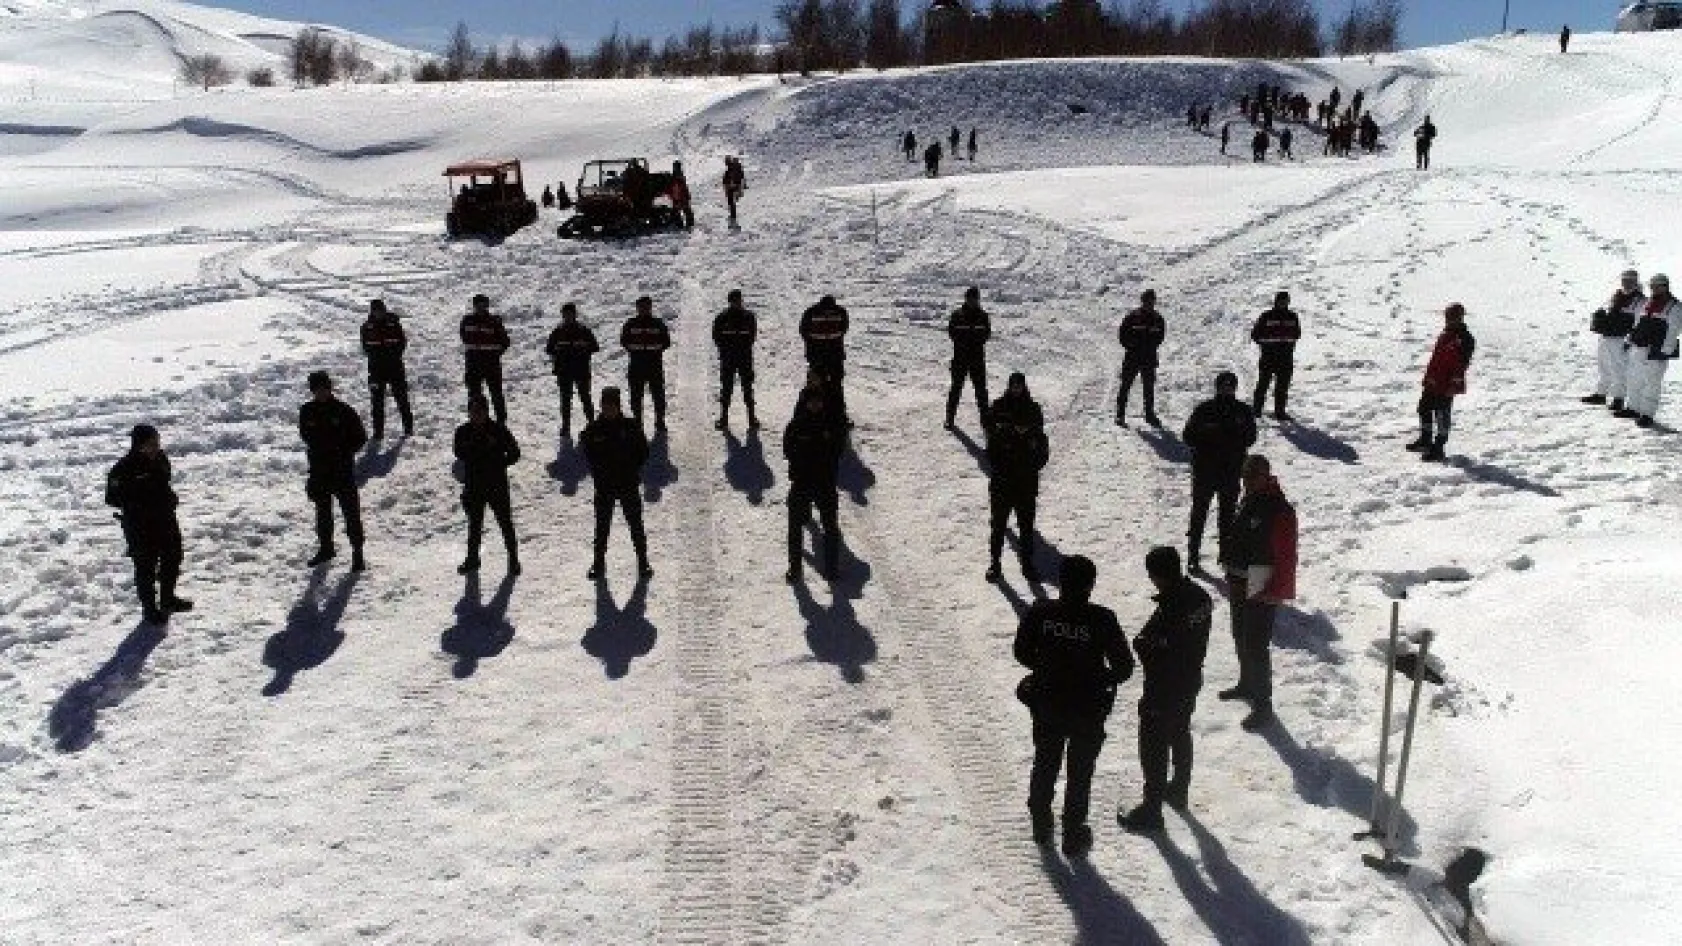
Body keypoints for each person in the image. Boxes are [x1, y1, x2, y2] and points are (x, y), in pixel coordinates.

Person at [1015, 555, 1135, 858]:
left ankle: (1041, 823)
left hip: (1047, 702)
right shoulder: (1102, 619)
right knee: (1080, 772)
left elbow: (1021, 652)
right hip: (1087, 708)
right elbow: (1124, 668)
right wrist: (1097, 679)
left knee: (1045, 762)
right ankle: (1073, 832)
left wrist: (1045, 669)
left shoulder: (1040, 613)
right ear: (1091, 585)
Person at [1118, 547, 1212, 833]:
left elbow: (1152, 648)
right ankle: (1179, 788)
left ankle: (1152, 809)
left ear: (1156, 576)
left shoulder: (1173, 608)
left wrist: (1142, 644)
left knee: (1154, 746)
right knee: (1180, 732)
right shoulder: (1200, 596)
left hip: (1164, 687)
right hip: (1190, 680)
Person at [1218, 455, 1297, 732]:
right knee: (1239, 634)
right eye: (1244, 476)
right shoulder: (1249, 498)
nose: (1247, 481)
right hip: (1239, 578)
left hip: (1261, 582)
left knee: (1256, 644)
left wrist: (1276, 590)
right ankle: (1246, 684)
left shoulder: (1279, 508)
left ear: (1266, 475)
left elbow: (1287, 555)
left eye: (1252, 477)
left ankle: (1263, 704)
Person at [106, 424, 192, 624]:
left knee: (173, 557)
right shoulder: (123, 469)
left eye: (157, 442)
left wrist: (168, 498)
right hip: (140, 526)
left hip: (166, 519)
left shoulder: (161, 458)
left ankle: (168, 599)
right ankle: (150, 609)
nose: (156, 447)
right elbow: (111, 498)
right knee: (146, 567)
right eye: (151, 443)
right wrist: (139, 502)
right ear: (139, 445)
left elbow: (164, 482)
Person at [1182, 371, 1257, 573]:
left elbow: (1251, 438)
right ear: (1217, 387)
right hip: (1205, 470)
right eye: (1223, 385)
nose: (1227, 389)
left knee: (1228, 517)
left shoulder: (1243, 411)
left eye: (1230, 385)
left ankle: (1226, 555)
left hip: (1230, 471)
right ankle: (1193, 556)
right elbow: (1188, 436)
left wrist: (1232, 437)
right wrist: (1209, 435)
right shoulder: (1204, 409)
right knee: (1199, 515)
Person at [580, 388, 652, 580]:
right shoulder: (593, 429)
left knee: (636, 525)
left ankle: (643, 561)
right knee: (602, 527)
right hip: (604, 486)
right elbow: (587, 451)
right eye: (604, 406)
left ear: (618, 407)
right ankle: (598, 562)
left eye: (611, 406)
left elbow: (644, 452)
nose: (608, 410)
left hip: (628, 484)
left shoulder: (631, 426)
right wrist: (599, 470)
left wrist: (631, 467)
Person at [299, 371, 368, 571]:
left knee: (351, 513)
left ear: (330, 388)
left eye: (324, 388)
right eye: (317, 389)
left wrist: (344, 452)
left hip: (342, 471)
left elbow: (360, 437)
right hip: (319, 470)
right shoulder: (307, 411)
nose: (321, 393)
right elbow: (306, 435)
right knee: (322, 513)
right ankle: (326, 548)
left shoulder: (344, 410)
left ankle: (357, 553)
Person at [985, 373, 1049, 584]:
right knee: (998, 525)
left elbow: (1042, 451)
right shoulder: (998, 407)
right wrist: (1001, 467)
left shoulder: (1033, 411)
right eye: (1013, 385)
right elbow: (991, 448)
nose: (1016, 389)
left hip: (1026, 483)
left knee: (1026, 526)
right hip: (1002, 482)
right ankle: (995, 562)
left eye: (1019, 385)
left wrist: (1030, 467)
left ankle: (1027, 563)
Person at [783, 385, 846, 583]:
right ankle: (795, 568)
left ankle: (832, 569)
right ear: (805, 402)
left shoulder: (831, 424)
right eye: (812, 401)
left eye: (818, 401)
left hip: (825, 483)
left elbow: (838, 450)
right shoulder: (796, 425)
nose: (815, 405)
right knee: (795, 527)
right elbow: (788, 450)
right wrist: (803, 461)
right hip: (802, 482)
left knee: (830, 527)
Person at [454, 395, 521, 576]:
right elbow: (458, 452)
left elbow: (515, 452)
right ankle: (472, 559)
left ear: (486, 411)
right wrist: (478, 448)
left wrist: (500, 462)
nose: (477, 415)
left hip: (496, 484)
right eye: (473, 411)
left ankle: (513, 558)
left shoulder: (498, 430)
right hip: (474, 485)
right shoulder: (463, 432)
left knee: (505, 523)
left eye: (480, 411)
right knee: (474, 525)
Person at [1408, 304, 1476, 461]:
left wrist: (1454, 385)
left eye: (1451, 317)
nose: (1447, 320)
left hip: (1447, 383)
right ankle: (1425, 440)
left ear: (1459, 318)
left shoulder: (1466, 339)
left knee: (1442, 415)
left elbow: (1461, 364)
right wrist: (1428, 378)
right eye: (1447, 316)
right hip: (1433, 380)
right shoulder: (1445, 334)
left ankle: (1438, 448)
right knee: (1423, 408)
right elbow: (1436, 359)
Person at [1621, 273, 1682, 427]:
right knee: (1635, 379)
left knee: (1652, 383)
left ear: (1664, 286)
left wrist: (1666, 350)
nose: (1653, 289)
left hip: (1656, 350)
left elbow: (1674, 329)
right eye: (1651, 286)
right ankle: (1633, 408)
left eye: (1656, 286)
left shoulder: (1674, 306)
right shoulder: (1648, 302)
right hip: (1639, 347)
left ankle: (1647, 414)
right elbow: (1637, 323)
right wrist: (1630, 338)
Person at [1582, 270, 1644, 410]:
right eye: (1624, 279)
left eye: (1630, 280)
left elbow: (1639, 322)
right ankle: (1601, 393)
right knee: (1603, 365)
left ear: (1636, 281)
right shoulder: (1616, 295)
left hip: (1621, 338)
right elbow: (1607, 310)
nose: (1626, 282)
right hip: (1606, 336)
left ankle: (1619, 398)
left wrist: (1630, 339)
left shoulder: (1639, 300)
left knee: (1619, 368)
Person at [545, 303, 600, 438]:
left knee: (585, 398)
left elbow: (595, 347)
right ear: (563, 315)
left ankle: (591, 423)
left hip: (581, 370)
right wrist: (559, 353)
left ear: (575, 314)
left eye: (570, 314)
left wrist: (582, 348)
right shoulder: (558, 331)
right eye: (565, 314)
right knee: (565, 400)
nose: (568, 316)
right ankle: (566, 426)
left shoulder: (583, 330)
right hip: (564, 371)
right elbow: (549, 349)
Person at [360, 298, 412, 439]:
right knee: (377, 402)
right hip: (376, 370)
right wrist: (378, 356)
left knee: (402, 398)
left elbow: (402, 342)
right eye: (376, 311)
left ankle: (408, 428)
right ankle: (378, 432)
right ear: (372, 312)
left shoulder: (394, 323)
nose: (379, 313)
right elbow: (365, 347)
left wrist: (393, 356)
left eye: (381, 310)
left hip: (395, 368)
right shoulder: (366, 327)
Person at [621, 296, 673, 431]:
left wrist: (653, 348)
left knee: (658, 395)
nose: (644, 309)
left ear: (650, 307)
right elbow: (624, 341)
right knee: (636, 396)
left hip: (654, 366)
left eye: (646, 306)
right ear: (637, 308)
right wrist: (636, 349)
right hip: (636, 366)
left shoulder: (658, 323)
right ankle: (638, 422)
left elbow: (666, 342)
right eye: (641, 307)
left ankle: (660, 421)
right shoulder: (630, 323)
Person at [800, 294, 852, 428]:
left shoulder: (839, 311)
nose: (829, 313)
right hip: (820, 357)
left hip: (833, 357)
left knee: (836, 387)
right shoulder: (813, 312)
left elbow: (843, 329)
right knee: (816, 387)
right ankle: (814, 416)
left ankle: (839, 416)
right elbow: (804, 332)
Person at [1115, 289, 1165, 427]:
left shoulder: (1158, 319)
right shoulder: (1132, 317)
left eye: (1152, 301)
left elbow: (1160, 337)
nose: (1149, 304)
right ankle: (1120, 414)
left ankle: (1149, 414)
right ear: (1142, 301)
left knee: (1149, 388)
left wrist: (1149, 346)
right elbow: (1122, 335)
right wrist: (1132, 345)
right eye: (1147, 301)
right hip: (1132, 357)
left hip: (1149, 359)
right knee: (1125, 385)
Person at [946, 285, 992, 430]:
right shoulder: (957, 315)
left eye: (975, 299)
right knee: (955, 389)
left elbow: (986, 335)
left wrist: (970, 339)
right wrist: (968, 340)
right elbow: (952, 334)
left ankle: (985, 422)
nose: (973, 301)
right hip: (960, 359)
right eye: (970, 299)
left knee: (981, 392)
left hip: (977, 360)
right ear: (966, 299)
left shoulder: (983, 316)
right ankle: (949, 419)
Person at [713, 289, 760, 430]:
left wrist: (739, 348)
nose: (737, 303)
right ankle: (724, 418)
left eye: (739, 300)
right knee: (726, 389)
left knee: (747, 388)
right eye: (734, 301)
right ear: (730, 302)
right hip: (728, 359)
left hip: (744, 358)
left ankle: (751, 418)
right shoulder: (721, 318)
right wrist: (728, 350)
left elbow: (752, 337)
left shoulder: (749, 317)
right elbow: (716, 337)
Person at [1251, 291, 1302, 420]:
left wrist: (1287, 343)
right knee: (1263, 385)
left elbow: (1297, 334)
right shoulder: (1266, 316)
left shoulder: (1292, 316)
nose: (1283, 303)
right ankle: (1256, 410)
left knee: (1282, 387)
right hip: (1268, 357)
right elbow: (1255, 334)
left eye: (1285, 301)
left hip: (1285, 358)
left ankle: (1280, 412)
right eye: (1281, 301)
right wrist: (1268, 344)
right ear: (1276, 301)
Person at [461, 293, 511, 424]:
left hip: (491, 364)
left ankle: (501, 422)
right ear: (474, 306)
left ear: (487, 306)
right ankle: (476, 420)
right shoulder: (467, 320)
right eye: (478, 305)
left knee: (496, 394)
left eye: (483, 305)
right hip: (473, 364)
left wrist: (494, 354)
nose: (480, 308)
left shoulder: (494, 321)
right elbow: (464, 338)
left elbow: (505, 342)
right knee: (474, 396)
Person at [669, 161, 694, 229]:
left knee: (683, 210)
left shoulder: (678, 177)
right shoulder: (678, 176)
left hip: (680, 196)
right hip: (679, 196)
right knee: (679, 211)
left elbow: (681, 187)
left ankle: (684, 224)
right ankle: (682, 224)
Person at [722, 156, 746, 225]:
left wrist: (727, 185)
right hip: (735, 186)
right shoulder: (734, 169)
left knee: (731, 202)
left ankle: (733, 216)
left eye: (726, 162)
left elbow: (729, 178)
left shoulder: (731, 169)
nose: (726, 163)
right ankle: (733, 215)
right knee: (731, 202)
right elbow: (742, 177)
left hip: (733, 187)